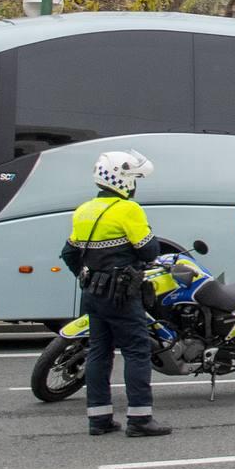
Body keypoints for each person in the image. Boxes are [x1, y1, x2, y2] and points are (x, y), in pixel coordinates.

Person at [60, 150, 172, 438]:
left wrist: (90, 277)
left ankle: (99, 419)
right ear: (122, 180)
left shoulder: (83, 210)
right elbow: (149, 250)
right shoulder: (129, 210)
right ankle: (140, 419)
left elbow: (69, 253)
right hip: (121, 294)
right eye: (134, 179)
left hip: (93, 293)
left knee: (99, 351)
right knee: (137, 350)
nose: (135, 185)